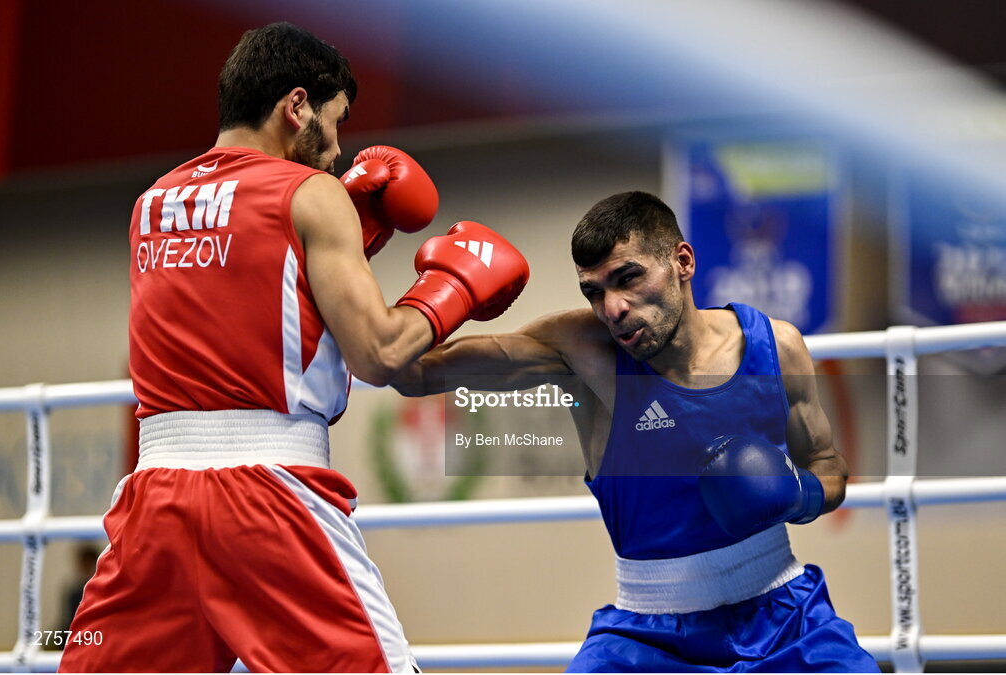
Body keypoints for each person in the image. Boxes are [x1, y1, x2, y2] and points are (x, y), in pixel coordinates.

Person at [59, 22, 529, 673]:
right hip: (266, 497)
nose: (337, 151)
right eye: (334, 124)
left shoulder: (151, 204)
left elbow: (245, 302)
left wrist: (352, 241)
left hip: (154, 501)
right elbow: (380, 352)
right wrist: (453, 287)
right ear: (296, 105)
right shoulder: (311, 193)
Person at [392, 191, 879, 672]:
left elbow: (828, 465)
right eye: (594, 291)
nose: (613, 308)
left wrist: (799, 495)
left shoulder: (775, 347)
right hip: (647, 639)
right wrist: (446, 293)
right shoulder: (582, 351)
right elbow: (409, 371)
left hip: (785, 618)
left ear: (682, 261)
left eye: (628, 278)